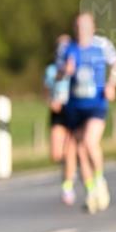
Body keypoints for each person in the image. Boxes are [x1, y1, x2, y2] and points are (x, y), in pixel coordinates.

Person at [59, 12, 116, 214]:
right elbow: (57, 73)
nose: (81, 30)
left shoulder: (101, 45)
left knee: (89, 142)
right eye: (78, 26)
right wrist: (65, 71)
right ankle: (91, 191)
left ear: (93, 27)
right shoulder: (68, 48)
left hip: (97, 104)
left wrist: (112, 84)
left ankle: (99, 179)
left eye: (85, 26)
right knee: (80, 150)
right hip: (75, 106)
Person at [44, 34, 77, 205]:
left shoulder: (76, 67)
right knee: (57, 154)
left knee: (70, 150)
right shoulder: (51, 70)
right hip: (57, 112)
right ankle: (69, 169)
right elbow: (47, 92)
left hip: (72, 109)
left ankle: (68, 185)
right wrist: (51, 102)